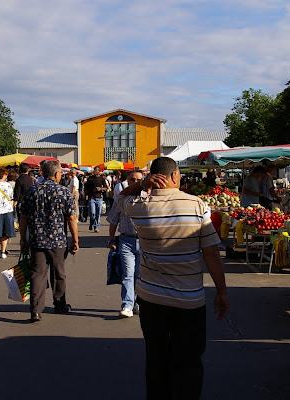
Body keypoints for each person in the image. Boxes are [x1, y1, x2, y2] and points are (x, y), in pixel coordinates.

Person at [117, 156, 229, 399]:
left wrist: (143, 184)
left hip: (151, 298)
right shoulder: (197, 205)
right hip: (189, 300)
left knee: (156, 358)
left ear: (154, 177)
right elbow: (210, 252)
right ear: (175, 176)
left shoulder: (139, 206)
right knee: (188, 361)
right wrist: (221, 290)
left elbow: (120, 196)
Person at [19, 160, 79, 322]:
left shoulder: (32, 190)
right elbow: (71, 218)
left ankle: (35, 310)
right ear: (57, 174)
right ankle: (59, 304)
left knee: (37, 274)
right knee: (58, 273)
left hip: (37, 239)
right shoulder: (63, 192)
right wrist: (75, 239)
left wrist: (22, 239)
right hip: (58, 240)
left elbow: (23, 217)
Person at [107, 170, 143, 318]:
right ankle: (127, 305)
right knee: (127, 274)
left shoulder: (149, 199)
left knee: (140, 276)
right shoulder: (121, 200)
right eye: (131, 180)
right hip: (126, 240)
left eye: (138, 180)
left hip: (144, 242)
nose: (134, 183)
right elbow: (113, 221)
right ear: (127, 181)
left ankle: (138, 303)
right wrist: (111, 239)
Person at [85, 166, 107, 233]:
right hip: (91, 197)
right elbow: (86, 188)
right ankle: (92, 222)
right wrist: (85, 195)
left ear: (99, 171)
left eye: (97, 170)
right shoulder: (90, 179)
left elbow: (106, 188)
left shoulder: (102, 179)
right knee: (92, 213)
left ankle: (96, 227)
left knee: (98, 214)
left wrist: (101, 189)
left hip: (99, 197)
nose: (96, 171)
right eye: (95, 170)